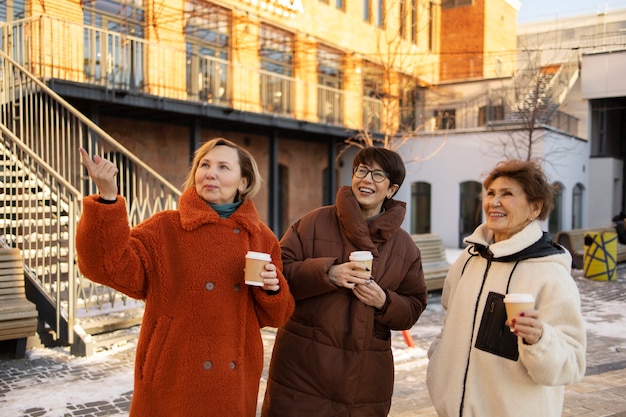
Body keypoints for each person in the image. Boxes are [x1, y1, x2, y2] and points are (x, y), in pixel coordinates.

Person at [75, 138, 294, 417]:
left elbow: (278, 315)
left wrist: (272, 290)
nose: (210, 173)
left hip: (233, 382)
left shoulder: (261, 237)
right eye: (204, 164)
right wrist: (107, 197)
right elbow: (104, 266)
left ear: (243, 182)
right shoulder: (165, 228)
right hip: (174, 376)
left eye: (223, 167)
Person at [261, 146, 429, 416]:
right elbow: (279, 273)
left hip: (365, 379)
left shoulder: (405, 247)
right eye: (361, 171)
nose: (366, 179)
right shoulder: (314, 222)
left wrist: (385, 302)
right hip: (302, 369)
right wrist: (328, 273)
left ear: (392, 190)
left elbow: (414, 306)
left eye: (377, 175)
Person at [426, 159, 586, 417]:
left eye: (507, 194)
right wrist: (438, 358)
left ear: (535, 208)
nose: (494, 202)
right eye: (490, 193)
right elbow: (450, 319)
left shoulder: (550, 273)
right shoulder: (468, 259)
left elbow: (573, 364)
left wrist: (540, 339)